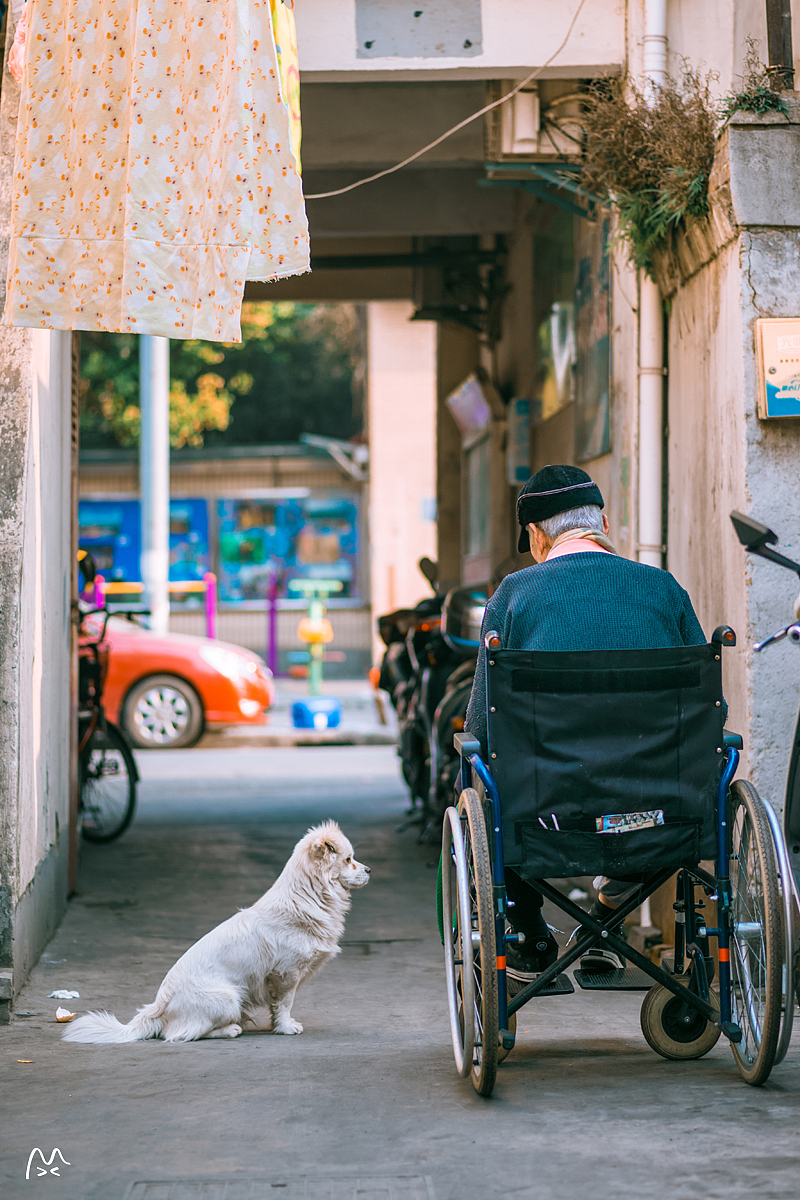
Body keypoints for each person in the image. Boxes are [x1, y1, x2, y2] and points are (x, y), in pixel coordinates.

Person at [463, 464, 707, 988]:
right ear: (603, 522)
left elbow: (482, 724)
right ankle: (604, 922)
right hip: (658, 810)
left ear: (536, 534)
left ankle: (527, 937)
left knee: (480, 777)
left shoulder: (514, 595)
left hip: (546, 816)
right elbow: (710, 709)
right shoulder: (664, 590)